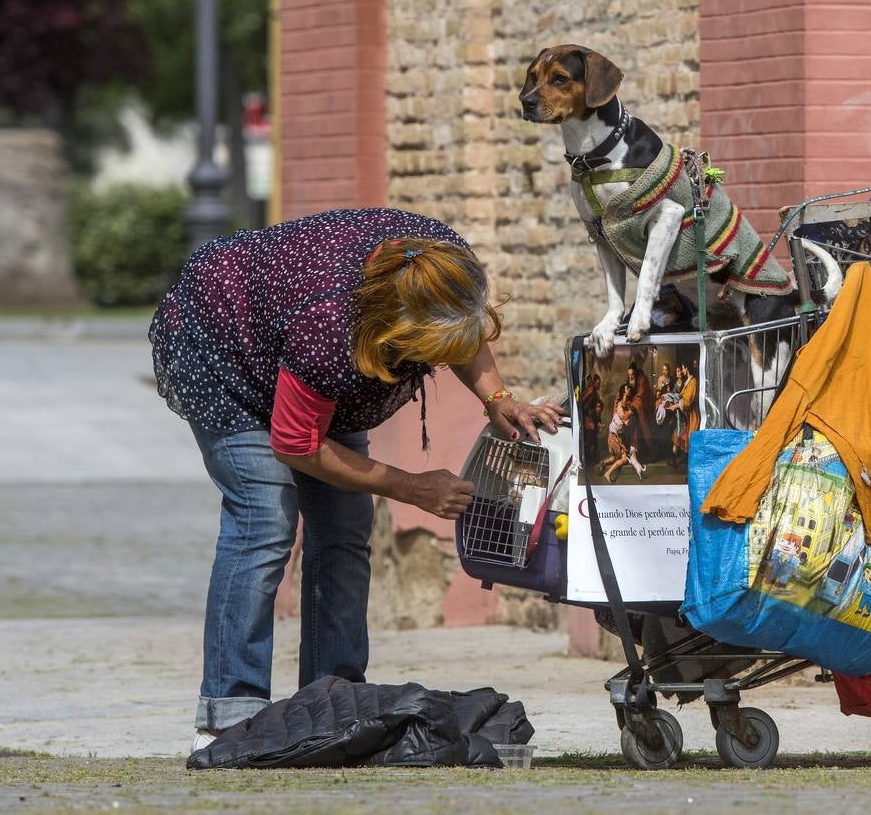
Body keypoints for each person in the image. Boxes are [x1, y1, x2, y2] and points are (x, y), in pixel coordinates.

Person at [149, 207, 562, 753]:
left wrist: (498, 398)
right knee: (264, 522)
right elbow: (297, 445)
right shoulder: (329, 326)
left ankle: (333, 700)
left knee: (345, 529)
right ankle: (231, 714)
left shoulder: (444, 268)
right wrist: (410, 486)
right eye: (426, 354)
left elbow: (460, 329)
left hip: (308, 357)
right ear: (393, 333)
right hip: (226, 350)